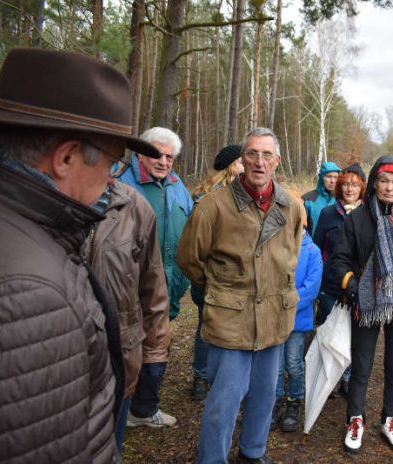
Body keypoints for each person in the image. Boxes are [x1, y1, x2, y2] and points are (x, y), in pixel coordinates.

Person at [0, 47, 160, 462]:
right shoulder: (32, 291)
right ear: (66, 157)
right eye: (111, 161)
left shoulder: (27, 235)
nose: (112, 177)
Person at [176, 127, 303, 464]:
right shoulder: (212, 207)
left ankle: (252, 452)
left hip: (275, 315)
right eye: (252, 154)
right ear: (241, 160)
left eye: (266, 155)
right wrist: (220, 287)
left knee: (264, 394)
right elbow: (188, 258)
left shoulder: (291, 207)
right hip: (231, 319)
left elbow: (291, 252)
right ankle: (212, 459)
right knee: (224, 401)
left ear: (277, 161)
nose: (259, 162)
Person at [332, 155, 393, 454]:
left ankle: (390, 419)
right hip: (367, 304)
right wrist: (353, 287)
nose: (390, 187)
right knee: (361, 367)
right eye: (385, 181)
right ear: (374, 183)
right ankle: (355, 419)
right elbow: (339, 259)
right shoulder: (358, 218)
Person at [119, 126, 193, 428]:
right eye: (157, 154)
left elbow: (190, 229)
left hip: (167, 286)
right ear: (140, 153)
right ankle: (117, 413)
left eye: (170, 157)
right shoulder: (120, 182)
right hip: (128, 285)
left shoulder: (178, 186)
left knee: (157, 346)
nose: (163, 161)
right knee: (126, 349)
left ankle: (144, 409)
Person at [88, 180, 171, 448]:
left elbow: (152, 282)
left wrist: (155, 350)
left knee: (111, 445)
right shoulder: (27, 198)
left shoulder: (134, 206)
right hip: (54, 360)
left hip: (120, 353)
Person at [189, 143, 244, 401]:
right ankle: (201, 376)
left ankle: (219, 377)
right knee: (206, 328)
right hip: (211, 279)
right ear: (232, 166)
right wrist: (205, 280)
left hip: (236, 282)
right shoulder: (207, 200)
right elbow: (193, 247)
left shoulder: (245, 196)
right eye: (243, 161)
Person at [312, 163, 367, 396]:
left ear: (362, 188)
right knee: (328, 331)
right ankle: (329, 377)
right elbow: (316, 248)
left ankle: (346, 376)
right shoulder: (328, 214)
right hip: (331, 285)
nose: (349, 189)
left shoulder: (368, 215)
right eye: (346, 184)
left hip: (358, 285)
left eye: (355, 185)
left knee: (354, 333)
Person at [272, 192, 323, 432]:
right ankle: (276, 400)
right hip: (273, 319)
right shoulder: (275, 245)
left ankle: (294, 400)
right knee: (274, 363)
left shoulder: (312, 251)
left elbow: (311, 288)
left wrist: (286, 302)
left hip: (296, 319)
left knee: (293, 362)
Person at [303, 161, 341, 235]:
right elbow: (300, 230)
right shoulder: (308, 200)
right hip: (313, 245)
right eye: (329, 176)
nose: (332, 181)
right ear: (321, 178)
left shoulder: (341, 199)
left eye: (335, 177)